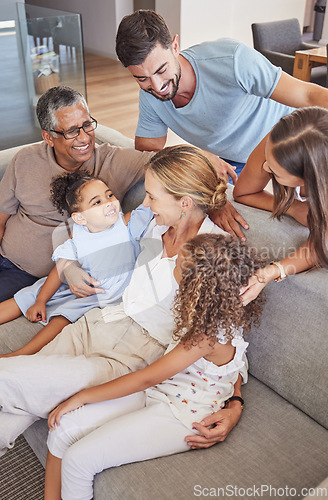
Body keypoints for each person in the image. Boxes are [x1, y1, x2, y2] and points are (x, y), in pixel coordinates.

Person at [0, 145, 243, 457]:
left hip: (131, 357)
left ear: (184, 202)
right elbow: (86, 244)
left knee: (10, 379)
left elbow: (228, 336)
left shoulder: (215, 253)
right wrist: (71, 270)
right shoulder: (152, 223)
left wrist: (234, 402)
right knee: (18, 403)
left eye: (152, 196)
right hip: (96, 324)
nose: (144, 202)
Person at [44, 233, 264, 500]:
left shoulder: (207, 334)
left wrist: (80, 397)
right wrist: (235, 400)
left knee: (80, 459)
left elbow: (144, 378)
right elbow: (234, 364)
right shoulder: (214, 308)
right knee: (62, 431)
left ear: (197, 283)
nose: (173, 263)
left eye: (179, 263)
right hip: (160, 391)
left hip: (182, 415)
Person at [115, 9, 328, 239]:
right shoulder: (149, 98)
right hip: (234, 165)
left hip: (282, 145)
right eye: (142, 78)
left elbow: (307, 95)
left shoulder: (232, 59)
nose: (157, 86)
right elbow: (148, 154)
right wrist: (200, 159)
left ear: (175, 46)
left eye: (161, 70)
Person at [0, 85, 152, 302]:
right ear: (49, 137)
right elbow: (1, 217)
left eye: (87, 125)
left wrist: (213, 162)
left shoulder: (115, 161)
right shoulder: (25, 160)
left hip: (25, 275)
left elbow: (166, 161)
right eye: (71, 131)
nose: (84, 138)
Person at [0, 171, 152, 357]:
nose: (109, 202)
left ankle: (20, 354)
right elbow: (60, 269)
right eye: (97, 202)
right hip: (71, 285)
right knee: (28, 294)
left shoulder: (126, 223)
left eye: (109, 195)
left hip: (100, 295)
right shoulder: (79, 234)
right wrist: (40, 301)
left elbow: (151, 203)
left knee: (64, 315)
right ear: (80, 218)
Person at [233, 106, 328, 304]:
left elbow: (319, 246)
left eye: (275, 172)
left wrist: (272, 271)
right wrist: (293, 207)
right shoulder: (280, 139)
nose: (265, 167)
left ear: (309, 177)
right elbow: (243, 192)